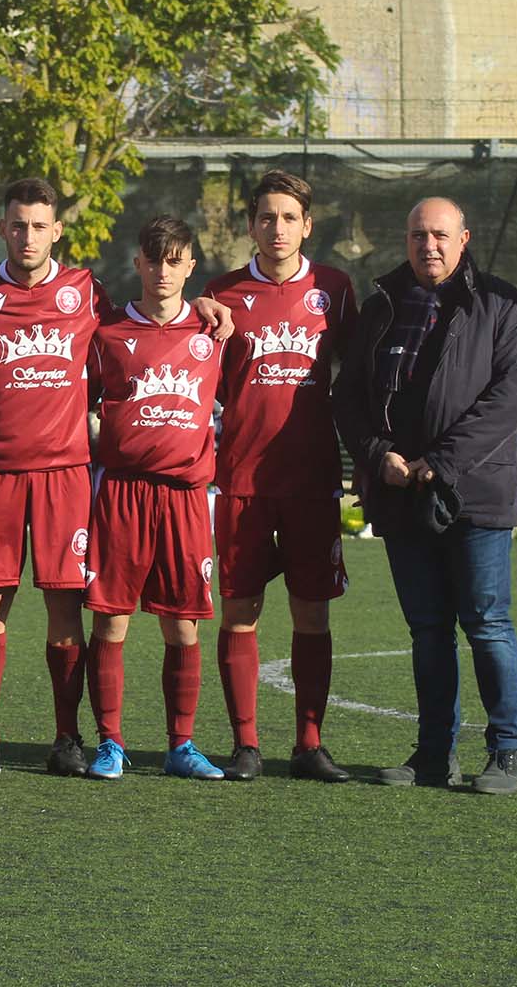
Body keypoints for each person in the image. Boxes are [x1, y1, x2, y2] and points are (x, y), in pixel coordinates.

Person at [0, 178, 233, 777]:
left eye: (39, 226)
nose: (28, 236)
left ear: (58, 232)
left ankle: (68, 738)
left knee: (67, 607)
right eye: (18, 224)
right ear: (3, 228)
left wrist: (205, 301)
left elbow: (154, 323)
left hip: (66, 474)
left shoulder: (85, 294)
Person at [333, 196, 517, 794]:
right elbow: (347, 398)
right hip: (400, 496)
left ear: (464, 238)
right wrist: (379, 457)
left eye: (442, 235)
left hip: (475, 493)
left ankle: (510, 755)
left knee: (487, 623)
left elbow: (511, 398)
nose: (430, 245)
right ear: (407, 241)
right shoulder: (381, 307)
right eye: (420, 235)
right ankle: (433, 755)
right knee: (427, 630)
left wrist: (438, 464)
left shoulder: (503, 304)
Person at [201, 171, 357, 782]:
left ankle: (309, 745)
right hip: (241, 480)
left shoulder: (335, 290)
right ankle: (245, 745)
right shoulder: (221, 293)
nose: (277, 228)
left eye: (289, 217)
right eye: (266, 217)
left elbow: (362, 374)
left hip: (314, 481)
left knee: (311, 615)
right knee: (240, 612)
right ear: (250, 226)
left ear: (307, 226)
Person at [82, 216, 227, 780]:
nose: (163, 270)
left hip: (187, 497)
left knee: (183, 624)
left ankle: (180, 746)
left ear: (191, 266)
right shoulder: (108, 334)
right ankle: (110, 742)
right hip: (121, 492)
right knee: (111, 622)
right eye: (154, 259)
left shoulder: (214, 334)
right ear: (138, 263)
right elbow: (75, 401)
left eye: (176, 260)